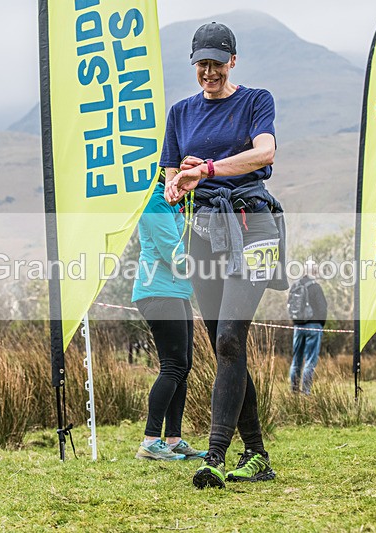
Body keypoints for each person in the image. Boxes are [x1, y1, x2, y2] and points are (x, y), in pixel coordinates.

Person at [162, 21, 286, 489]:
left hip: (253, 226)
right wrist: (180, 180)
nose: (209, 72)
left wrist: (209, 169)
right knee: (223, 345)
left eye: (217, 63)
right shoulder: (180, 113)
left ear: (233, 60)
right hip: (205, 232)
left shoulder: (256, 101)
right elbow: (170, 180)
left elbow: (264, 153)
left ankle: (214, 456)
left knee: (232, 338)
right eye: (202, 64)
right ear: (193, 64)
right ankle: (257, 456)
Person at [132, 171, 206, 461]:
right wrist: (209, 261)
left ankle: (173, 440)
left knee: (183, 366)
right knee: (173, 366)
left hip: (177, 291)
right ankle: (151, 441)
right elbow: (173, 254)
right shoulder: (156, 202)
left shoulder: (175, 202)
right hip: (158, 291)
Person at [288, 263, 328, 394]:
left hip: (298, 326)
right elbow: (323, 308)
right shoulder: (316, 287)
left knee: (296, 361)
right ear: (314, 272)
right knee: (310, 361)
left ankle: (294, 391)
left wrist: (295, 321)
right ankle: (306, 392)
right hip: (314, 327)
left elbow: (290, 306)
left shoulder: (295, 286)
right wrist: (320, 324)